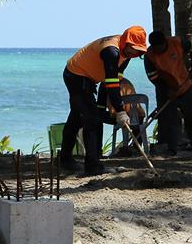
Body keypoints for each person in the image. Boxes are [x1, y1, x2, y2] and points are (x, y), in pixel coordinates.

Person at [60, 26, 148, 176]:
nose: (134, 53)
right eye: (133, 48)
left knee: (76, 118)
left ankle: (65, 159)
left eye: (138, 50)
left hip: (88, 79)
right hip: (76, 75)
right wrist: (120, 110)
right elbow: (112, 85)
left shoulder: (126, 56)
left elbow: (109, 84)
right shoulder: (111, 52)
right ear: (125, 42)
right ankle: (92, 166)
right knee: (92, 121)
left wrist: (101, 107)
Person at [145, 31, 192, 155]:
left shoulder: (177, 42)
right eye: (154, 48)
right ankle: (172, 149)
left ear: (164, 42)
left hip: (185, 87)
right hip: (166, 92)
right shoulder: (149, 56)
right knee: (169, 120)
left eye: (159, 47)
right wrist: (168, 90)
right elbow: (153, 77)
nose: (157, 50)